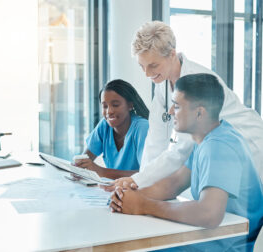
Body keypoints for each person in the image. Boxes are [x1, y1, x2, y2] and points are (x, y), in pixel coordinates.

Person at [110, 73, 263, 251]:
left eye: (176, 106)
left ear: (199, 112)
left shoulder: (219, 146)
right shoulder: (207, 139)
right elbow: (173, 184)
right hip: (216, 237)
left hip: (229, 245)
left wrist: (144, 205)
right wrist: (129, 198)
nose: (170, 112)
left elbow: (209, 214)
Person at [103, 20, 263, 191]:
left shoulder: (197, 82)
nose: (147, 73)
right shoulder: (162, 85)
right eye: (142, 66)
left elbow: (181, 150)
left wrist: (139, 181)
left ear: (172, 54)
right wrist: (138, 183)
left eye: (153, 65)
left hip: (248, 144)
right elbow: (155, 141)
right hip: (219, 151)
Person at [74, 79, 149, 179]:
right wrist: (78, 169)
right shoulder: (104, 126)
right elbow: (84, 160)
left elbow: (146, 174)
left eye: (115, 105)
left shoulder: (142, 127)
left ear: (130, 105)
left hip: (139, 191)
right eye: (105, 106)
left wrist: (101, 171)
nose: (109, 111)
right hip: (115, 189)